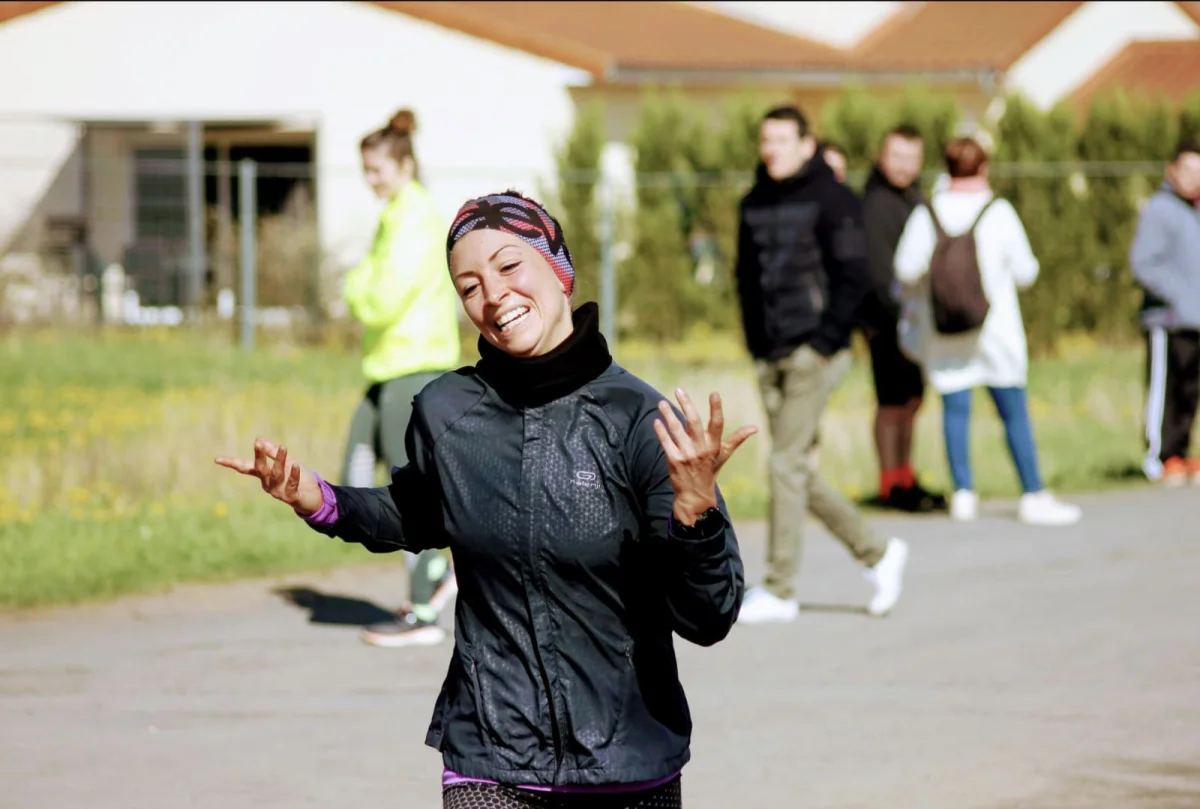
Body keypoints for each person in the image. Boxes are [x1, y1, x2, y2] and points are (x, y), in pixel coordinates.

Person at [216, 190, 756, 808]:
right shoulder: (447, 412)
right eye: (469, 286)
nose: (493, 295)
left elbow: (708, 618)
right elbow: (415, 514)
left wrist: (695, 515)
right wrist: (319, 499)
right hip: (490, 757)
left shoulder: (638, 419)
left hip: (628, 764)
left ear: (558, 268)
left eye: (509, 266)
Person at [733, 105, 910, 625]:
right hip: (769, 353)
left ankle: (780, 589)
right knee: (793, 470)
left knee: (785, 464)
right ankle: (878, 553)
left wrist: (824, 344)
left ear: (806, 145)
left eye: (782, 140)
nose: (772, 150)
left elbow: (855, 276)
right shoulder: (753, 201)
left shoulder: (834, 199)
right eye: (766, 140)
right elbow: (745, 276)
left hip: (814, 352)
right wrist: (756, 343)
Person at [893, 136, 1082, 526]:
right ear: (984, 167)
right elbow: (1026, 272)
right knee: (1012, 410)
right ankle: (1032, 491)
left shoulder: (927, 212)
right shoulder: (998, 211)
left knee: (955, 409)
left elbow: (905, 269)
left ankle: (964, 493)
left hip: (945, 329)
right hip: (996, 330)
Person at [341, 109, 462, 648]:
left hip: (414, 365)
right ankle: (437, 569)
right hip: (387, 366)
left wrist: (354, 289)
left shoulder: (415, 218)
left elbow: (380, 296)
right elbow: (373, 284)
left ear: (405, 165)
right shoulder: (394, 215)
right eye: (365, 170)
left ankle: (423, 608)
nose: (371, 180)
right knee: (354, 473)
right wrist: (362, 284)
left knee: (406, 491)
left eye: (378, 170)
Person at [859, 124, 946, 513]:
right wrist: (896, 318)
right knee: (891, 403)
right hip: (885, 320)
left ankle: (906, 476)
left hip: (910, 319)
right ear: (881, 156)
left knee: (911, 400)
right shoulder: (876, 204)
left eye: (911, 158)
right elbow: (880, 274)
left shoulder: (913, 198)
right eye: (896, 156)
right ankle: (890, 482)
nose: (903, 165)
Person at [1130, 138, 1200, 487]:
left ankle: (1181, 453)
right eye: (1187, 169)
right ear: (1171, 170)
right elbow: (1143, 263)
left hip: (1195, 320)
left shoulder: (1195, 211)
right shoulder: (1160, 209)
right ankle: (1159, 457)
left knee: (1189, 390)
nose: (1193, 177)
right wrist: (1180, 296)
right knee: (1166, 389)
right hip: (1168, 320)